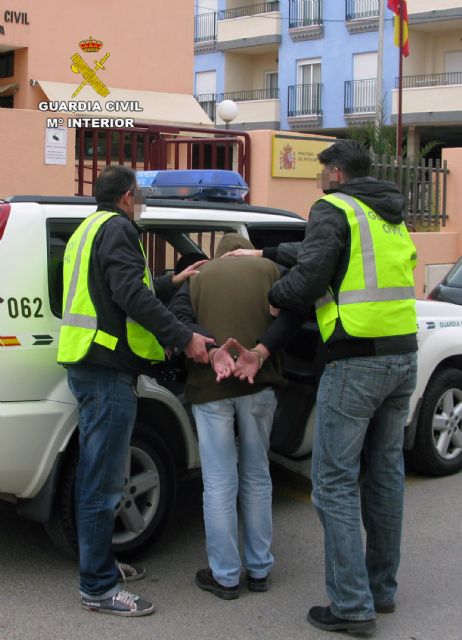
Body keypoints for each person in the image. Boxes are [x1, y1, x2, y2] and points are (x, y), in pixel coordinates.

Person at [225, 140, 418, 635]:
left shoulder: (332, 207)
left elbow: (311, 271)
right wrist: (264, 251)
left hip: (355, 361)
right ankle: (382, 591)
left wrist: (274, 294)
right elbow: (323, 250)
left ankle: (352, 607)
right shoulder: (387, 212)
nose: (317, 180)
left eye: (319, 172)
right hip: (402, 356)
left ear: (333, 173)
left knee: (331, 483)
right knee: (384, 477)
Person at [57, 165, 213, 617]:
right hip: (105, 369)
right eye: (139, 195)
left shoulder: (89, 228)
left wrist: (172, 282)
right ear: (127, 197)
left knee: (100, 476)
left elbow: (120, 289)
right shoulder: (120, 230)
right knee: (103, 482)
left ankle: (101, 565)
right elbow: (129, 295)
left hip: (91, 363)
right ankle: (99, 587)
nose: (140, 202)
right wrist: (184, 337)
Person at [170, 233, 302, 600]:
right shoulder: (271, 270)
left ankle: (225, 575)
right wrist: (260, 351)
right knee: (258, 474)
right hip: (259, 384)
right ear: (244, 251)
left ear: (219, 255)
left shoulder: (200, 275)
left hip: (212, 386)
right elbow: (294, 314)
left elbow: (178, 320)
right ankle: (260, 569)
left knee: (218, 482)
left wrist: (212, 348)